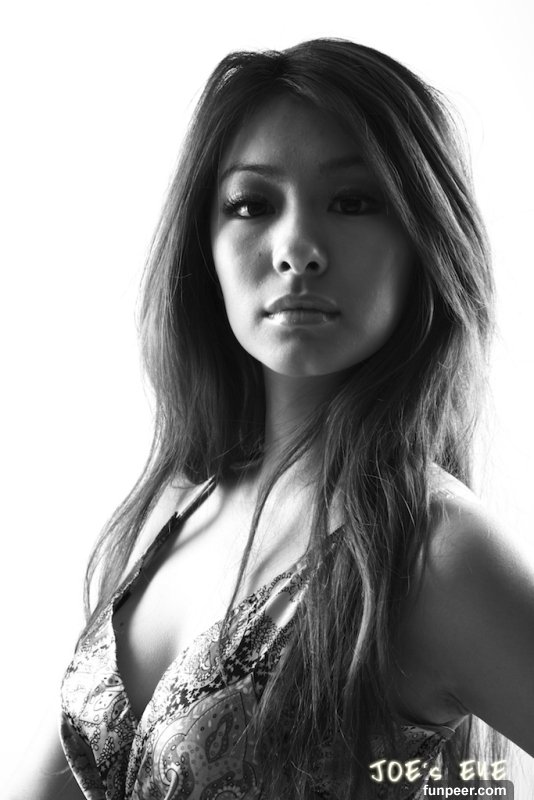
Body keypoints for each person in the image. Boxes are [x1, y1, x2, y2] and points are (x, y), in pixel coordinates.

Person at [12, 38, 534, 800]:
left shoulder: (432, 553)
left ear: (424, 240)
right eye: (252, 205)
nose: (297, 248)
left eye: (353, 202)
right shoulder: (170, 511)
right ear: (205, 246)